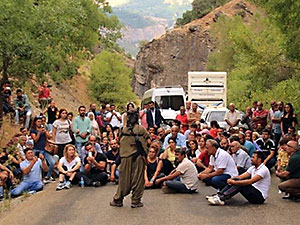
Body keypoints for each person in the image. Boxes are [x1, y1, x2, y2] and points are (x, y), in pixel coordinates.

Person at [110, 109, 150, 208]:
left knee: (124, 178)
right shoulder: (141, 129)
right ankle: (135, 201)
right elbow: (148, 141)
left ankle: (118, 199)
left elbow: (119, 141)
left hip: (125, 156)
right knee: (138, 179)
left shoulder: (123, 130)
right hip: (139, 156)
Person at [207, 151, 271, 205]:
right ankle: (219, 195)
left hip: (259, 197)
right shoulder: (252, 168)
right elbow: (241, 176)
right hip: (253, 192)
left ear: (259, 160)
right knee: (238, 180)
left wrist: (234, 182)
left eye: (253, 157)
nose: (251, 159)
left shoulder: (263, 169)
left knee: (241, 184)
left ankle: (222, 198)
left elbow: (250, 181)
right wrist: (232, 179)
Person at [30, 116, 55, 183]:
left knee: (52, 162)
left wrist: (45, 131)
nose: (39, 123)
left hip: (44, 149)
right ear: (35, 122)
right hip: (37, 149)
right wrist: (39, 132)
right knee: (38, 164)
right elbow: (35, 140)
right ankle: (39, 178)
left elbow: (49, 137)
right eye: (38, 121)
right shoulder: (33, 131)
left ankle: (48, 176)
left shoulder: (43, 129)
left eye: (40, 121)